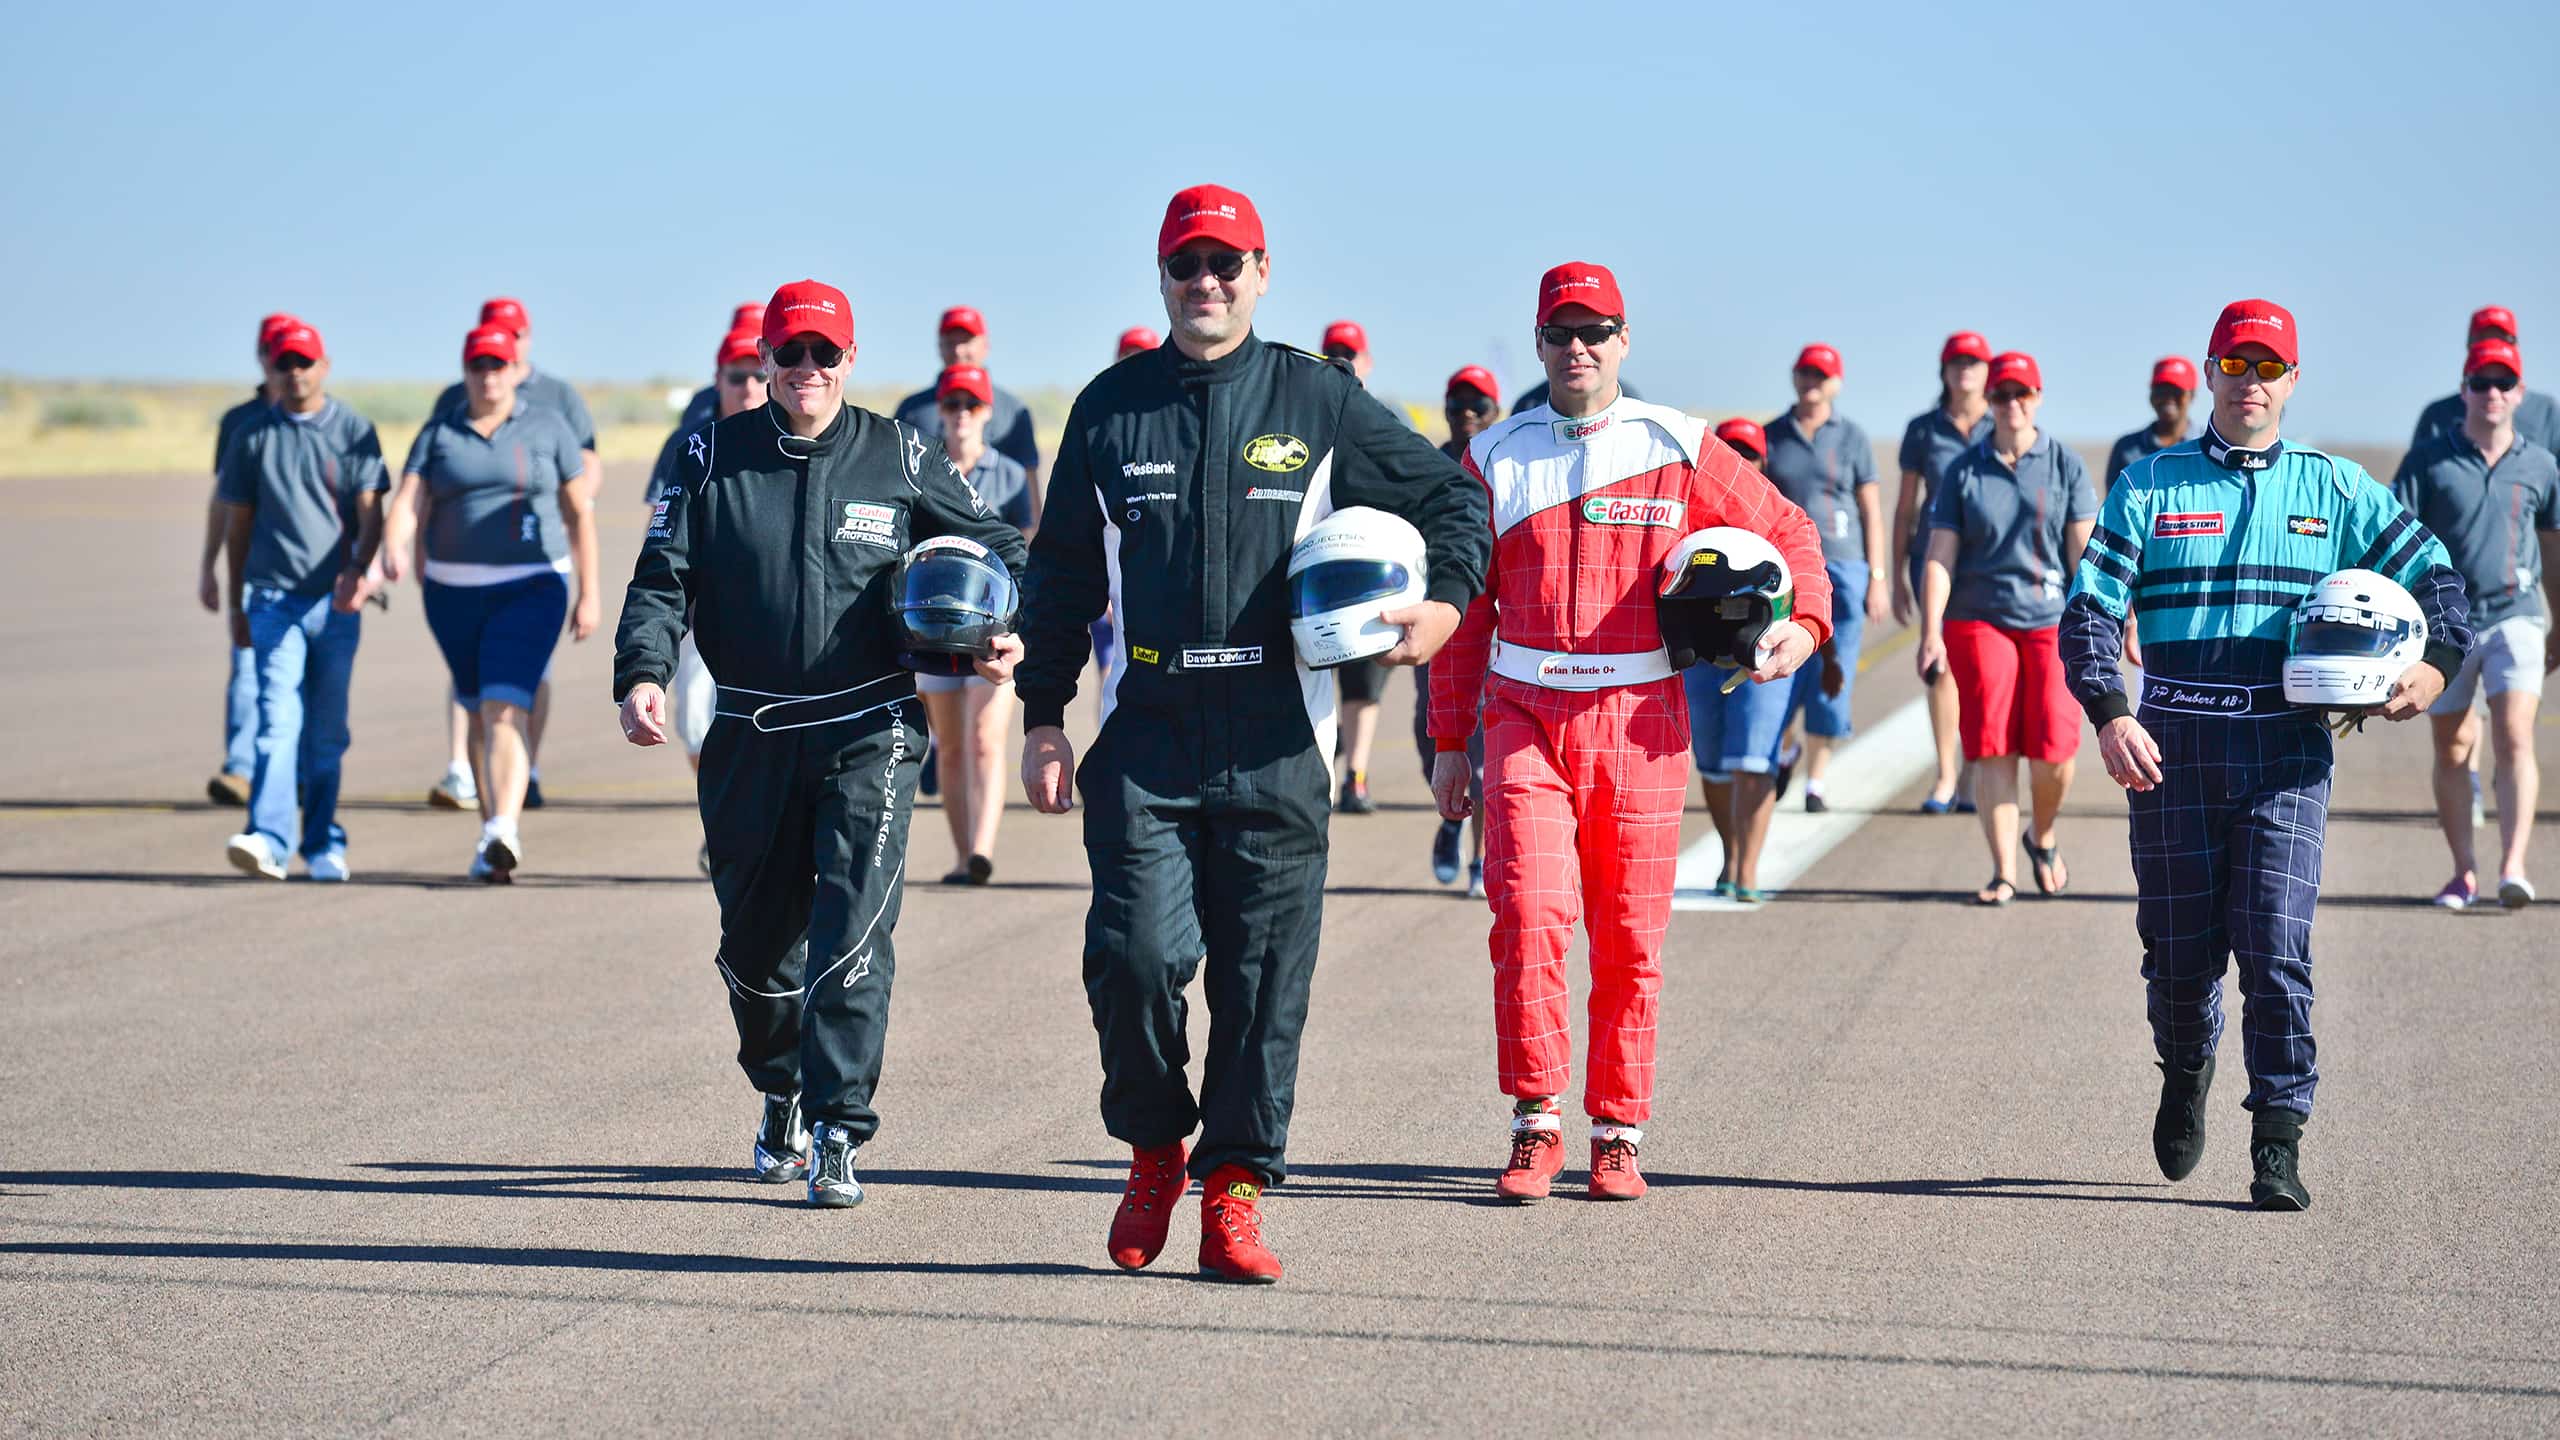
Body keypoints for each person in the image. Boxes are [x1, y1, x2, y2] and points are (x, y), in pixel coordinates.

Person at [1017, 184, 1489, 1283]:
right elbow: (1059, 577)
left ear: (1263, 274)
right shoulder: (1111, 408)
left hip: (1280, 732)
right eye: (1188, 266)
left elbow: (1450, 500)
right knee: (1133, 960)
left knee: (1262, 981)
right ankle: (1151, 1150)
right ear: (1163, 276)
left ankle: (1232, 1193)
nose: (1208, 283)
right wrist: (1043, 716)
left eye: (1228, 265)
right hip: (1149, 731)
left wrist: (1447, 607)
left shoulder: (1315, 401)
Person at [618, 279, 1027, 1207]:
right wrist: (642, 672)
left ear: (850, 361)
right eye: (790, 354)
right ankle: (780, 1087)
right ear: (763, 361)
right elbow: (658, 583)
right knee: (756, 956)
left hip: (871, 731)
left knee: (854, 933)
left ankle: (840, 1126)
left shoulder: (902, 453)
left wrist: (1013, 624)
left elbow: (1008, 546)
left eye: (825, 354)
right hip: (750, 736)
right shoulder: (707, 457)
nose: (807, 370)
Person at [2062, 298, 2472, 1212]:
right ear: (2209, 374)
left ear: (2294, 381)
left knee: (2278, 949)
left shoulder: (2337, 487)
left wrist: (2436, 669)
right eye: (2236, 366)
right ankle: (2186, 1063)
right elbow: (2090, 610)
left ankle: (2278, 1138)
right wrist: (2108, 713)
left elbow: (2440, 578)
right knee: (2179, 958)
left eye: (2270, 368)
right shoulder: (2150, 482)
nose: (2252, 383)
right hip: (2168, 748)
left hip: (2287, 751)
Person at [1432, 262, 1828, 1202]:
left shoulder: (1679, 446)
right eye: (1562, 333)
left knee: (1630, 935)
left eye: (1597, 332)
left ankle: (1618, 1129)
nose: (1579, 348)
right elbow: (1461, 606)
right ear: (1537, 344)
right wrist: (1451, 740)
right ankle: (1536, 1120)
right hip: (1523, 710)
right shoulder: (1492, 457)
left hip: (1643, 720)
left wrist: (1800, 629)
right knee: (1529, 916)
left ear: (1623, 342)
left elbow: (1793, 534)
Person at [386, 324, 599, 882]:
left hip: (532, 585)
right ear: (465, 370)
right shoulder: (440, 433)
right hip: (451, 595)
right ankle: (491, 837)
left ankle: (504, 825)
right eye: (479, 365)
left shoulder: (548, 427)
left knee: (506, 705)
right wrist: (393, 544)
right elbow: (410, 498)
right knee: (480, 711)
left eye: (499, 365)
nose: (489, 375)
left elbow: (578, 513)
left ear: (514, 369)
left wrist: (590, 592)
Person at [1916, 352, 2097, 906]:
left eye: (2022, 394)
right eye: (2001, 395)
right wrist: (1931, 631)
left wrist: (2105, 620)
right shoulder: (1964, 470)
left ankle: (2041, 834)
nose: (2012, 404)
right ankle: (2003, 871)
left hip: (2048, 618)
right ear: (1988, 402)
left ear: (2038, 398)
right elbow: (1940, 555)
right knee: (1992, 745)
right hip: (1979, 617)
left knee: (2053, 751)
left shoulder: (2063, 463)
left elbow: (2085, 553)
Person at [214, 321, 388, 881]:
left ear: (324, 367)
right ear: (271, 368)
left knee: (326, 732)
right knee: (275, 720)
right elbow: (237, 524)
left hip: (335, 604)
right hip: (272, 602)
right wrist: (239, 603)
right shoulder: (251, 436)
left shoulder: (354, 430)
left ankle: (322, 842)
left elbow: (370, 514)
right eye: (285, 363)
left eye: (305, 363)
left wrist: (358, 570)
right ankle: (268, 837)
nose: (295, 373)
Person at [2393, 339, 2560, 909]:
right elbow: (2398, 540)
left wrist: (2556, 618)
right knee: (2453, 745)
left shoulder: (2540, 463)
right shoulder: (2429, 461)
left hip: (2518, 614)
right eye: (2480, 382)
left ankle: (2512, 866)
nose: (2492, 393)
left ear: (2519, 393)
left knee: (2515, 733)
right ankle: (2463, 872)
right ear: (2463, 390)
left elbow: (2553, 545)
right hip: (2446, 624)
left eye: (2503, 382)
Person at [644, 329, 770, 876]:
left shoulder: (794, 437)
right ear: (716, 381)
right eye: (735, 377)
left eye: (757, 375)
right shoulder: (693, 448)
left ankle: (750, 827)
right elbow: (661, 540)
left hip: (771, 622)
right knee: (698, 724)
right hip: (705, 620)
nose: (748, 386)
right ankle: (726, 816)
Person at [918, 363, 1036, 886]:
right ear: (939, 412)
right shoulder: (922, 468)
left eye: (971, 406)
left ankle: (984, 851)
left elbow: (1029, 543)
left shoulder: (1009, 475)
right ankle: (963, 854)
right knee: (949, 743)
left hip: (994, 624)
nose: (961, 415)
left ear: (987, 413)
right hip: (936, 627)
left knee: (986, 738)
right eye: (951, 405)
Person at [1763, 343, 1889, 812]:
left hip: (1845, 566)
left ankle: (1815, 780)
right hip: (1786, 570)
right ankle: (1785, 747)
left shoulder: (1851, 437)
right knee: (1781, 668)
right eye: (1806, 374)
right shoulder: (1773, 435)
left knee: (1831, 677)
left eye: (1822, 375)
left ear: (1836, 383)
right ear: (1795, 378)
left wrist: (1877, 576)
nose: (1812, 382)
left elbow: (1871, 510)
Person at [1685, 417, 1806, 903]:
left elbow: (1813, 579)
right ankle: (1729, 851)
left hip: (1767, 651)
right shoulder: (1690, 516)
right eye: (1729, 453)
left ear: (1764, 462)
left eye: (1749, 455)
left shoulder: (1782, 518)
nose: (1740, 464)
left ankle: (1748, 867)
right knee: (1713, 765)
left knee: (1755, 759)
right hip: (1701, 656)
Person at [202, 312, 301, 807]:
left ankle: (296, 771)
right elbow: (223, 500)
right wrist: (209, 567)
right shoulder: (238, 423)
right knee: (246, 667)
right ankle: (240, 768)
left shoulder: (326, 420)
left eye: (295, 357)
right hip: (253, 566)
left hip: (307, 574)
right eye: (274, 353)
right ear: (262, 358)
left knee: (303, 675)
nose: (284, 366)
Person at [1893, 331, 1994, 813]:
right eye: (1957, 362)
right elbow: (1904, 507)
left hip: (1988, 560)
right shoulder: (1924, 430)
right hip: (1933, 556)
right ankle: (1947, 775)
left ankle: (1975, 773)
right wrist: (1892, 576)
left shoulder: (2003, 422)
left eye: (1974, 362)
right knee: (1940, 666)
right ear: (1944, 370)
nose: (1965, 370)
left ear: (1988, 371)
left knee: (1980, 668)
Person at [1415, 364, 1502, 892]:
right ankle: (1451, 820)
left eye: (1479, 406)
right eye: (1457, 406)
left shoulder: (1509, 463)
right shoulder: (1425, 466)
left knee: (1489, 752)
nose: (1467, 414)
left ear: (1496, 412)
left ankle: (1480, 859)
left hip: (1497, 626)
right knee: (1436, 741)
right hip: (1438, 624)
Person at [1321, 318, 1396, 812]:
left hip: (1368, 570)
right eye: (1334, 355)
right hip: (1313, 567)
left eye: (1350, 355)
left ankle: (1356, 777)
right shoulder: (1307, 409)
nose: (1343, 363)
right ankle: (1320, 778)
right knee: (1310, 673)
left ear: (1367, 361)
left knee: (1362, 680)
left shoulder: (1385, 419)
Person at [892, 305, 1042, 491]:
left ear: (985, 345)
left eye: (967, 341)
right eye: (950, 342)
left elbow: (1029, 485)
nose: (959, 350)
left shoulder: (1013, 411)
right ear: (939, 347)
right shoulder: (913, 410)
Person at [2411, 307, 2560, 453]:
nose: (2494, 348)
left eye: (2503, 341)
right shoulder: (2437, 416)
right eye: (2483, 341)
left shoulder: (2546, 411)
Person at [672, 303, 770, 438]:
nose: (749, 388)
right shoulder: (691, 435)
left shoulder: (796, 429)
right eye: (737, 377)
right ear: (718, 378)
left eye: (760, 376)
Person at [2106, 356, 2200, 487]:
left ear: (2192, 395)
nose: (2168, 398)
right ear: (2151, 394)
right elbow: (2115, 502)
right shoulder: (2126, 449)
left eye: (2177, 392)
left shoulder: (2208, 444)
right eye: (2161, 390)